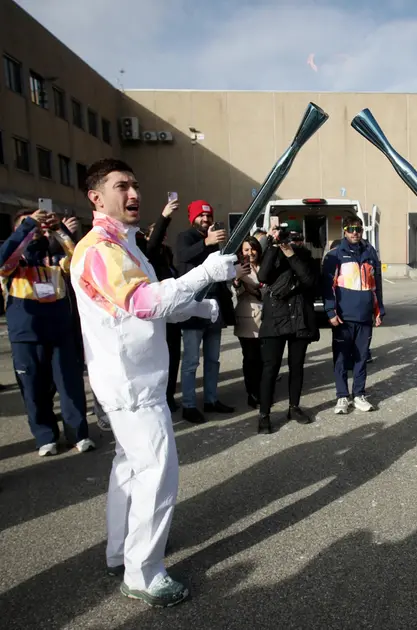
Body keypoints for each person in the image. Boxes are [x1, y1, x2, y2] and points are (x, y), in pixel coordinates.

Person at [70, 158, 238, 607]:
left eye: (135, 185)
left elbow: (158, 299)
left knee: (130, 469)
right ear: (96, 197)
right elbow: (143, 303)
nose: (133, 194)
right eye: (121, 186)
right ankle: (143, 573)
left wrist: (198, 307)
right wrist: (205, 275)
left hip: (135, 380)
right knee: (156, 475)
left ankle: (120, 551)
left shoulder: (126, 244)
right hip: (131, 385)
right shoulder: (98, 250)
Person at [0, 208, 93, 456]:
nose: (36, 228)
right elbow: (3, 257)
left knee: (70, 387)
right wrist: (27, 226)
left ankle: (78, 434)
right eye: (29, 225)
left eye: (37, 225)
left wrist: (58, 231)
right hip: (26, 337)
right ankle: (45, 436)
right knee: (34, 391)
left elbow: (80, 261)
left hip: (60, 334)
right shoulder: (12, 263)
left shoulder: (54, 259)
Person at [175, 201, 236, 424]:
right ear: (192, 218)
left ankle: (211, 399)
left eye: (208, 216)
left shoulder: (214, 242)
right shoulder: (185, 237)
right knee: (191, 361)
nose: (206, 220)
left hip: (215, 307)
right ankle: (189, 405)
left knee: (213, 359)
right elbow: (182, 257)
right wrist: (206, 242)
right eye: (201, 216)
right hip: (193, 308)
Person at [257, 221, 319, 432]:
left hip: (300, 318)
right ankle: (264, 414)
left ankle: (294, 407)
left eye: (297, 239)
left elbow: (309, 282)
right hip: (276, 319)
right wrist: (275, 246)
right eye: (289, 238)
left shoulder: (307, 258)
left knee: (297, 367)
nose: (293, 242)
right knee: (270, 368)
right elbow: (262, 277)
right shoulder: (273, 255)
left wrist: (291, 253)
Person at [322, 216, 384, 414]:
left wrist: (379, 310)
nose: (354, 232)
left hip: (365, 315)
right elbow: (327, 286)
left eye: (358, 229)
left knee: (361, 357)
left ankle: (358, 394)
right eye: (350, 229)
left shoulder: (370, 252)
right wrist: (330, 311)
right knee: (341, 358)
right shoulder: (335, 255)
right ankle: (342, 396)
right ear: (344, 231)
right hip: (343, 317)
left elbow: (377, 284)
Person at [138, 198, 182, 411]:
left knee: (173, 358)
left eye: (163, 232)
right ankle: (159, 397)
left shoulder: (168, 254)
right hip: (155, 313)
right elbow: (153, 244)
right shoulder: (148, 254)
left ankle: (170, 395)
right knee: (158, 359)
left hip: (170, 311)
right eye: (158, 232)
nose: (162, 236)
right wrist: (165, 216)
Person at [232, 236, 264, 410]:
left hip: (266, 318)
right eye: (246, 250)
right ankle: (252, 393)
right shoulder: (238, 269)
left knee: (264, 359)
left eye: (253, 249)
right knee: (251, 359)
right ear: (241, 252)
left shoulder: (265, 266)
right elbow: (235, 288)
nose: (250, 253)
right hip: (247, 318)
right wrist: (237, 281)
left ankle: (263, 391)